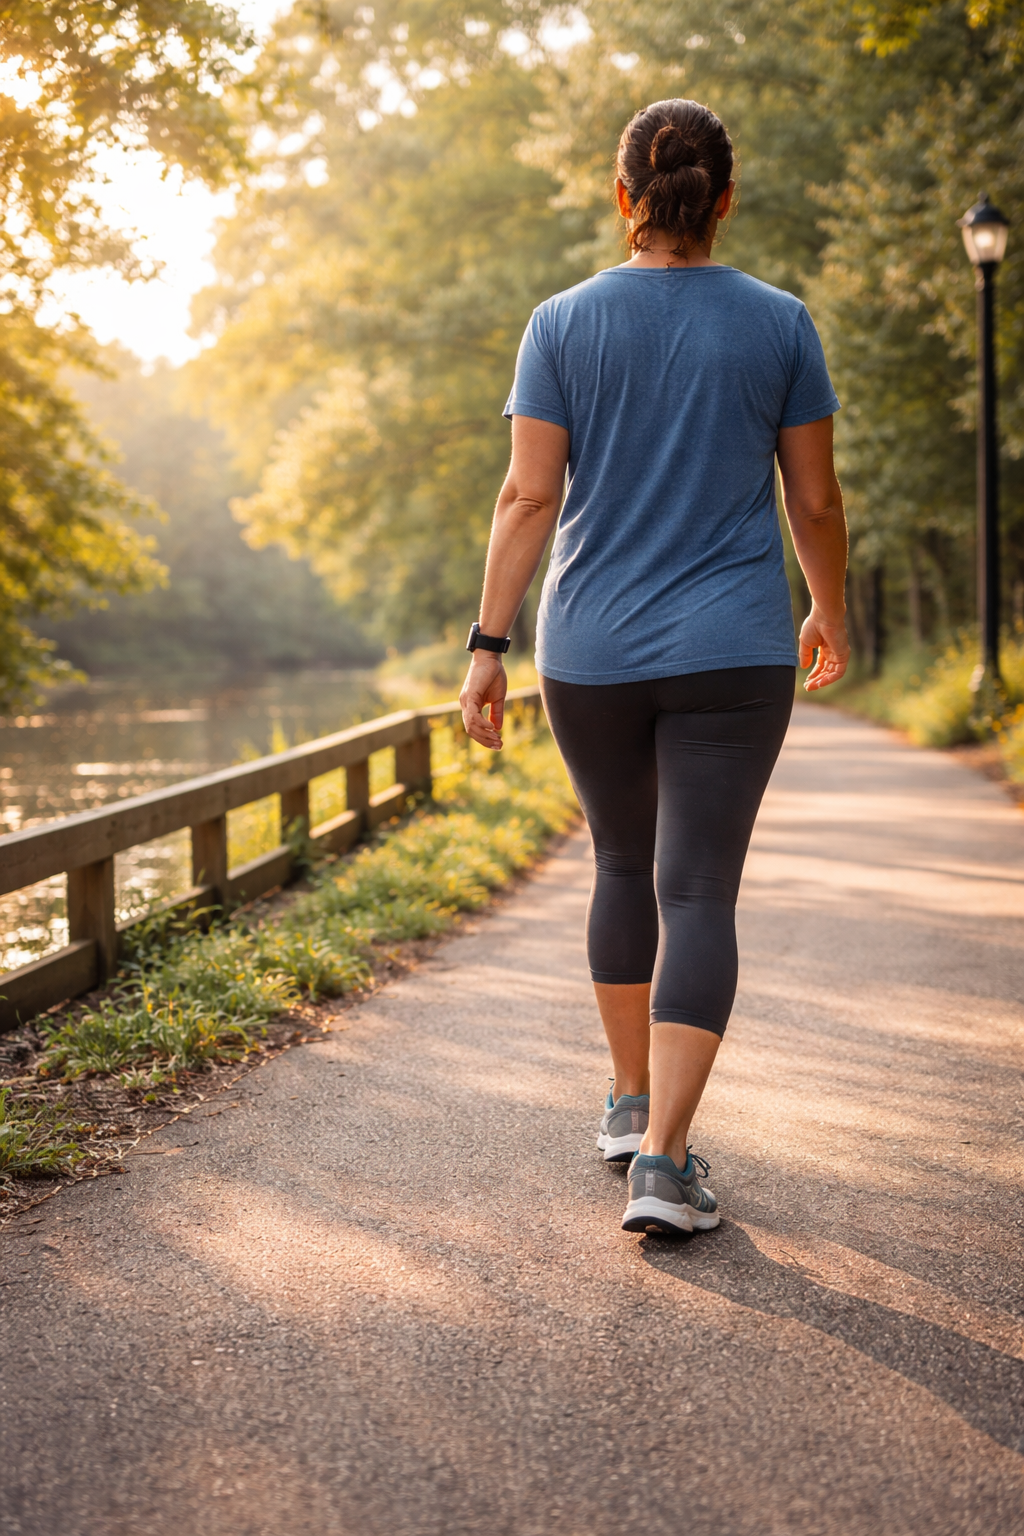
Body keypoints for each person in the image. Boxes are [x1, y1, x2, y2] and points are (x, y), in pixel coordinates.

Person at [460, 98, 850, 1236]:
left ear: (622, 196)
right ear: (724, 199)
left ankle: (630, 1106)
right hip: (734, 646)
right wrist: (826, 610)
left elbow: (529, 494)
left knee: (622, 867)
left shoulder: (559, 323)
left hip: (589, 652)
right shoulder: (779, 323)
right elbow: (813, 499)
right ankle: (665, 1165)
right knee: (698, 890)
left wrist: (487, 645)